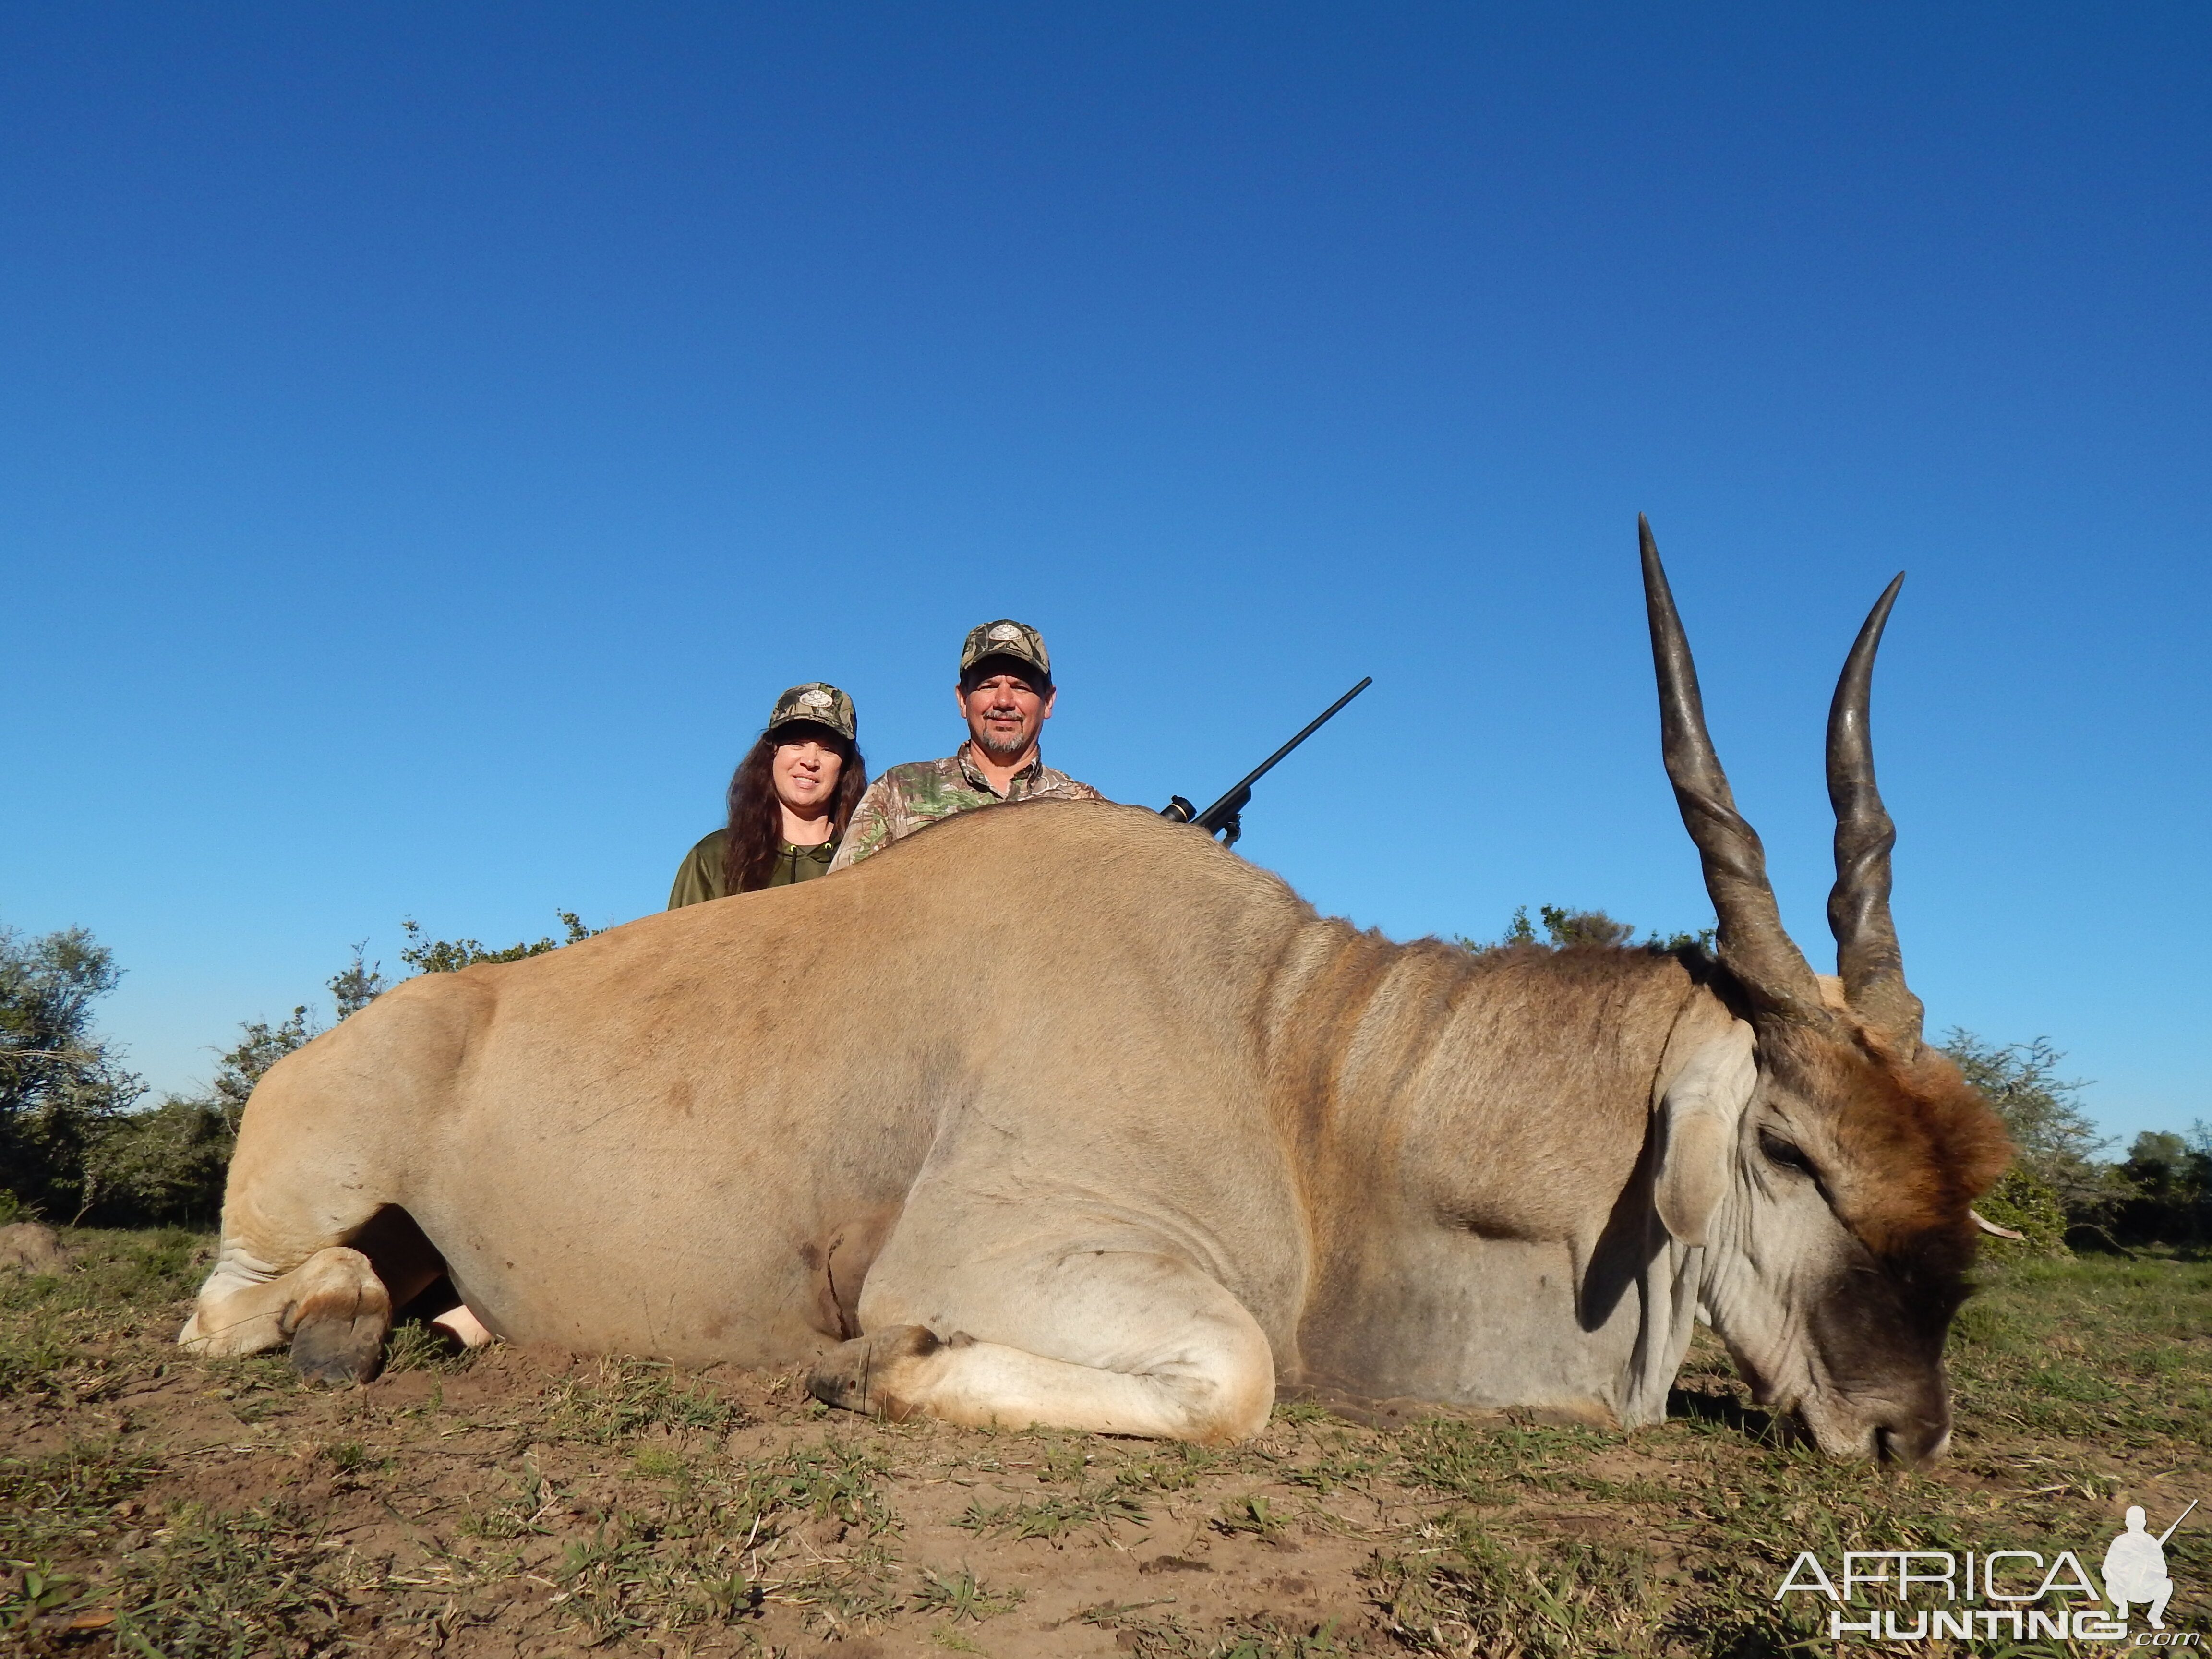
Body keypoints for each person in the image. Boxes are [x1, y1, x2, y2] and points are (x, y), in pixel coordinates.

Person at [828, 619, 1102, 871]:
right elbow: (844, 904)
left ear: (1048, 701)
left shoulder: (1088, 809)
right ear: (963, 699)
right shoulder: (897, 791)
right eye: (988, 686)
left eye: (1021, 687)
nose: (1004, 701)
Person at [668, 683, 867, 907]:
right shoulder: (713, 859)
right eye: (796, 744)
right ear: (772, 752)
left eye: (828, 749)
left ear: (846, 766)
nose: (810, 761)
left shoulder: (867, 859)